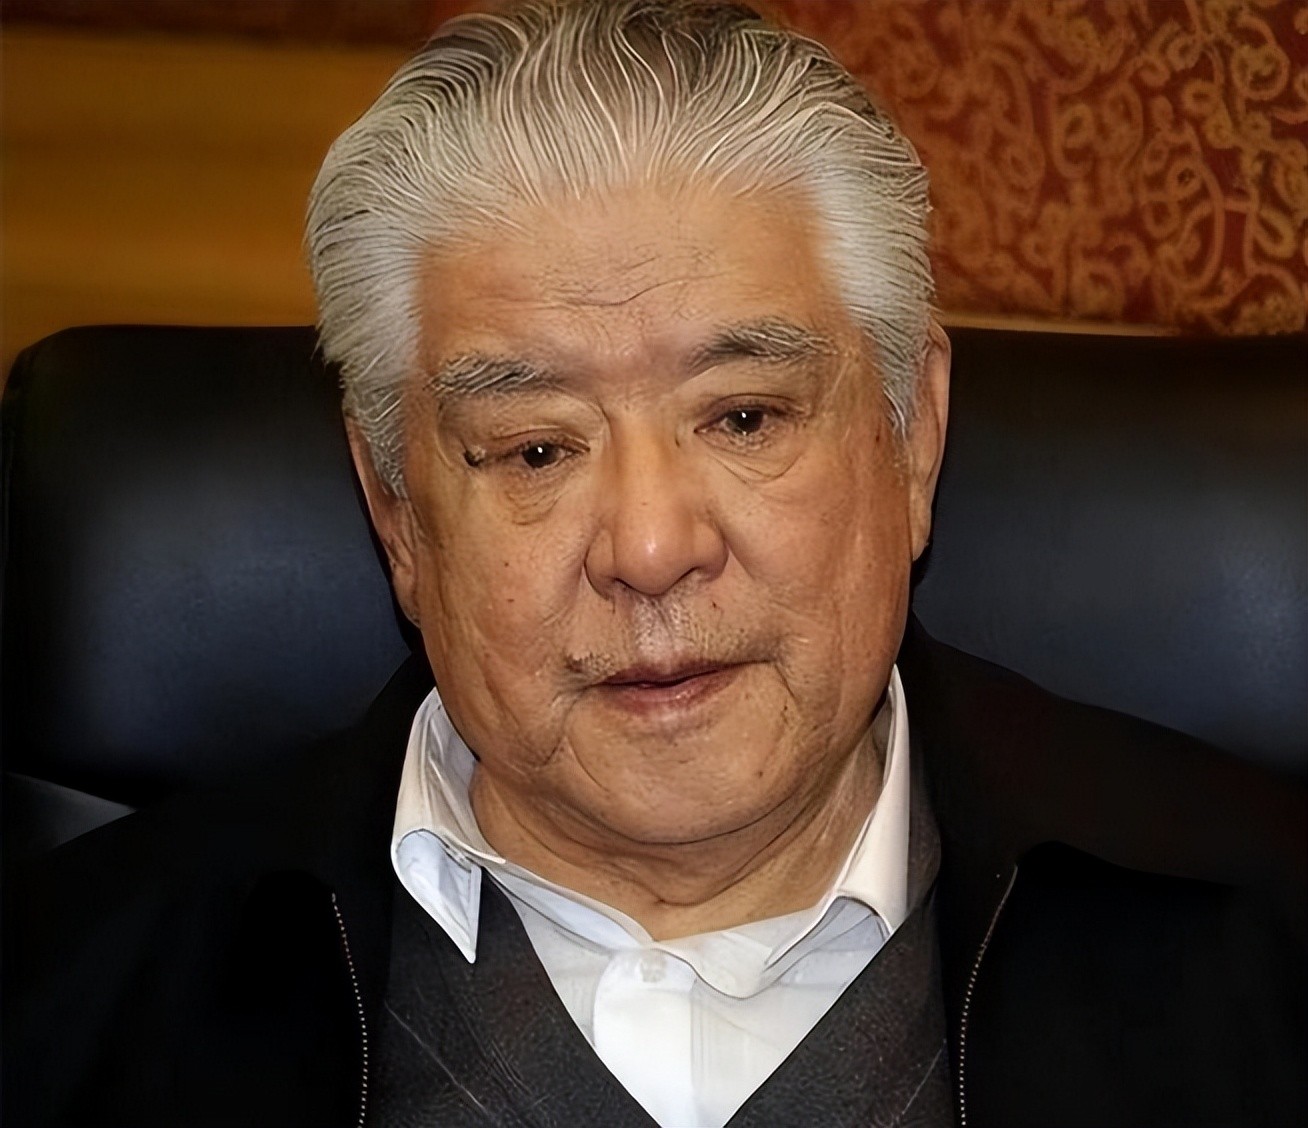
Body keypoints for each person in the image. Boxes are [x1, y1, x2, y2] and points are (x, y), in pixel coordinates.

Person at [4, 2, 1304, 1125]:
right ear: (396, 509)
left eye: (743, 419)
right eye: (534, 450)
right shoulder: (64, 1000)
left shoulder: (1269, 942)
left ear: (913, 435)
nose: (650, 549)